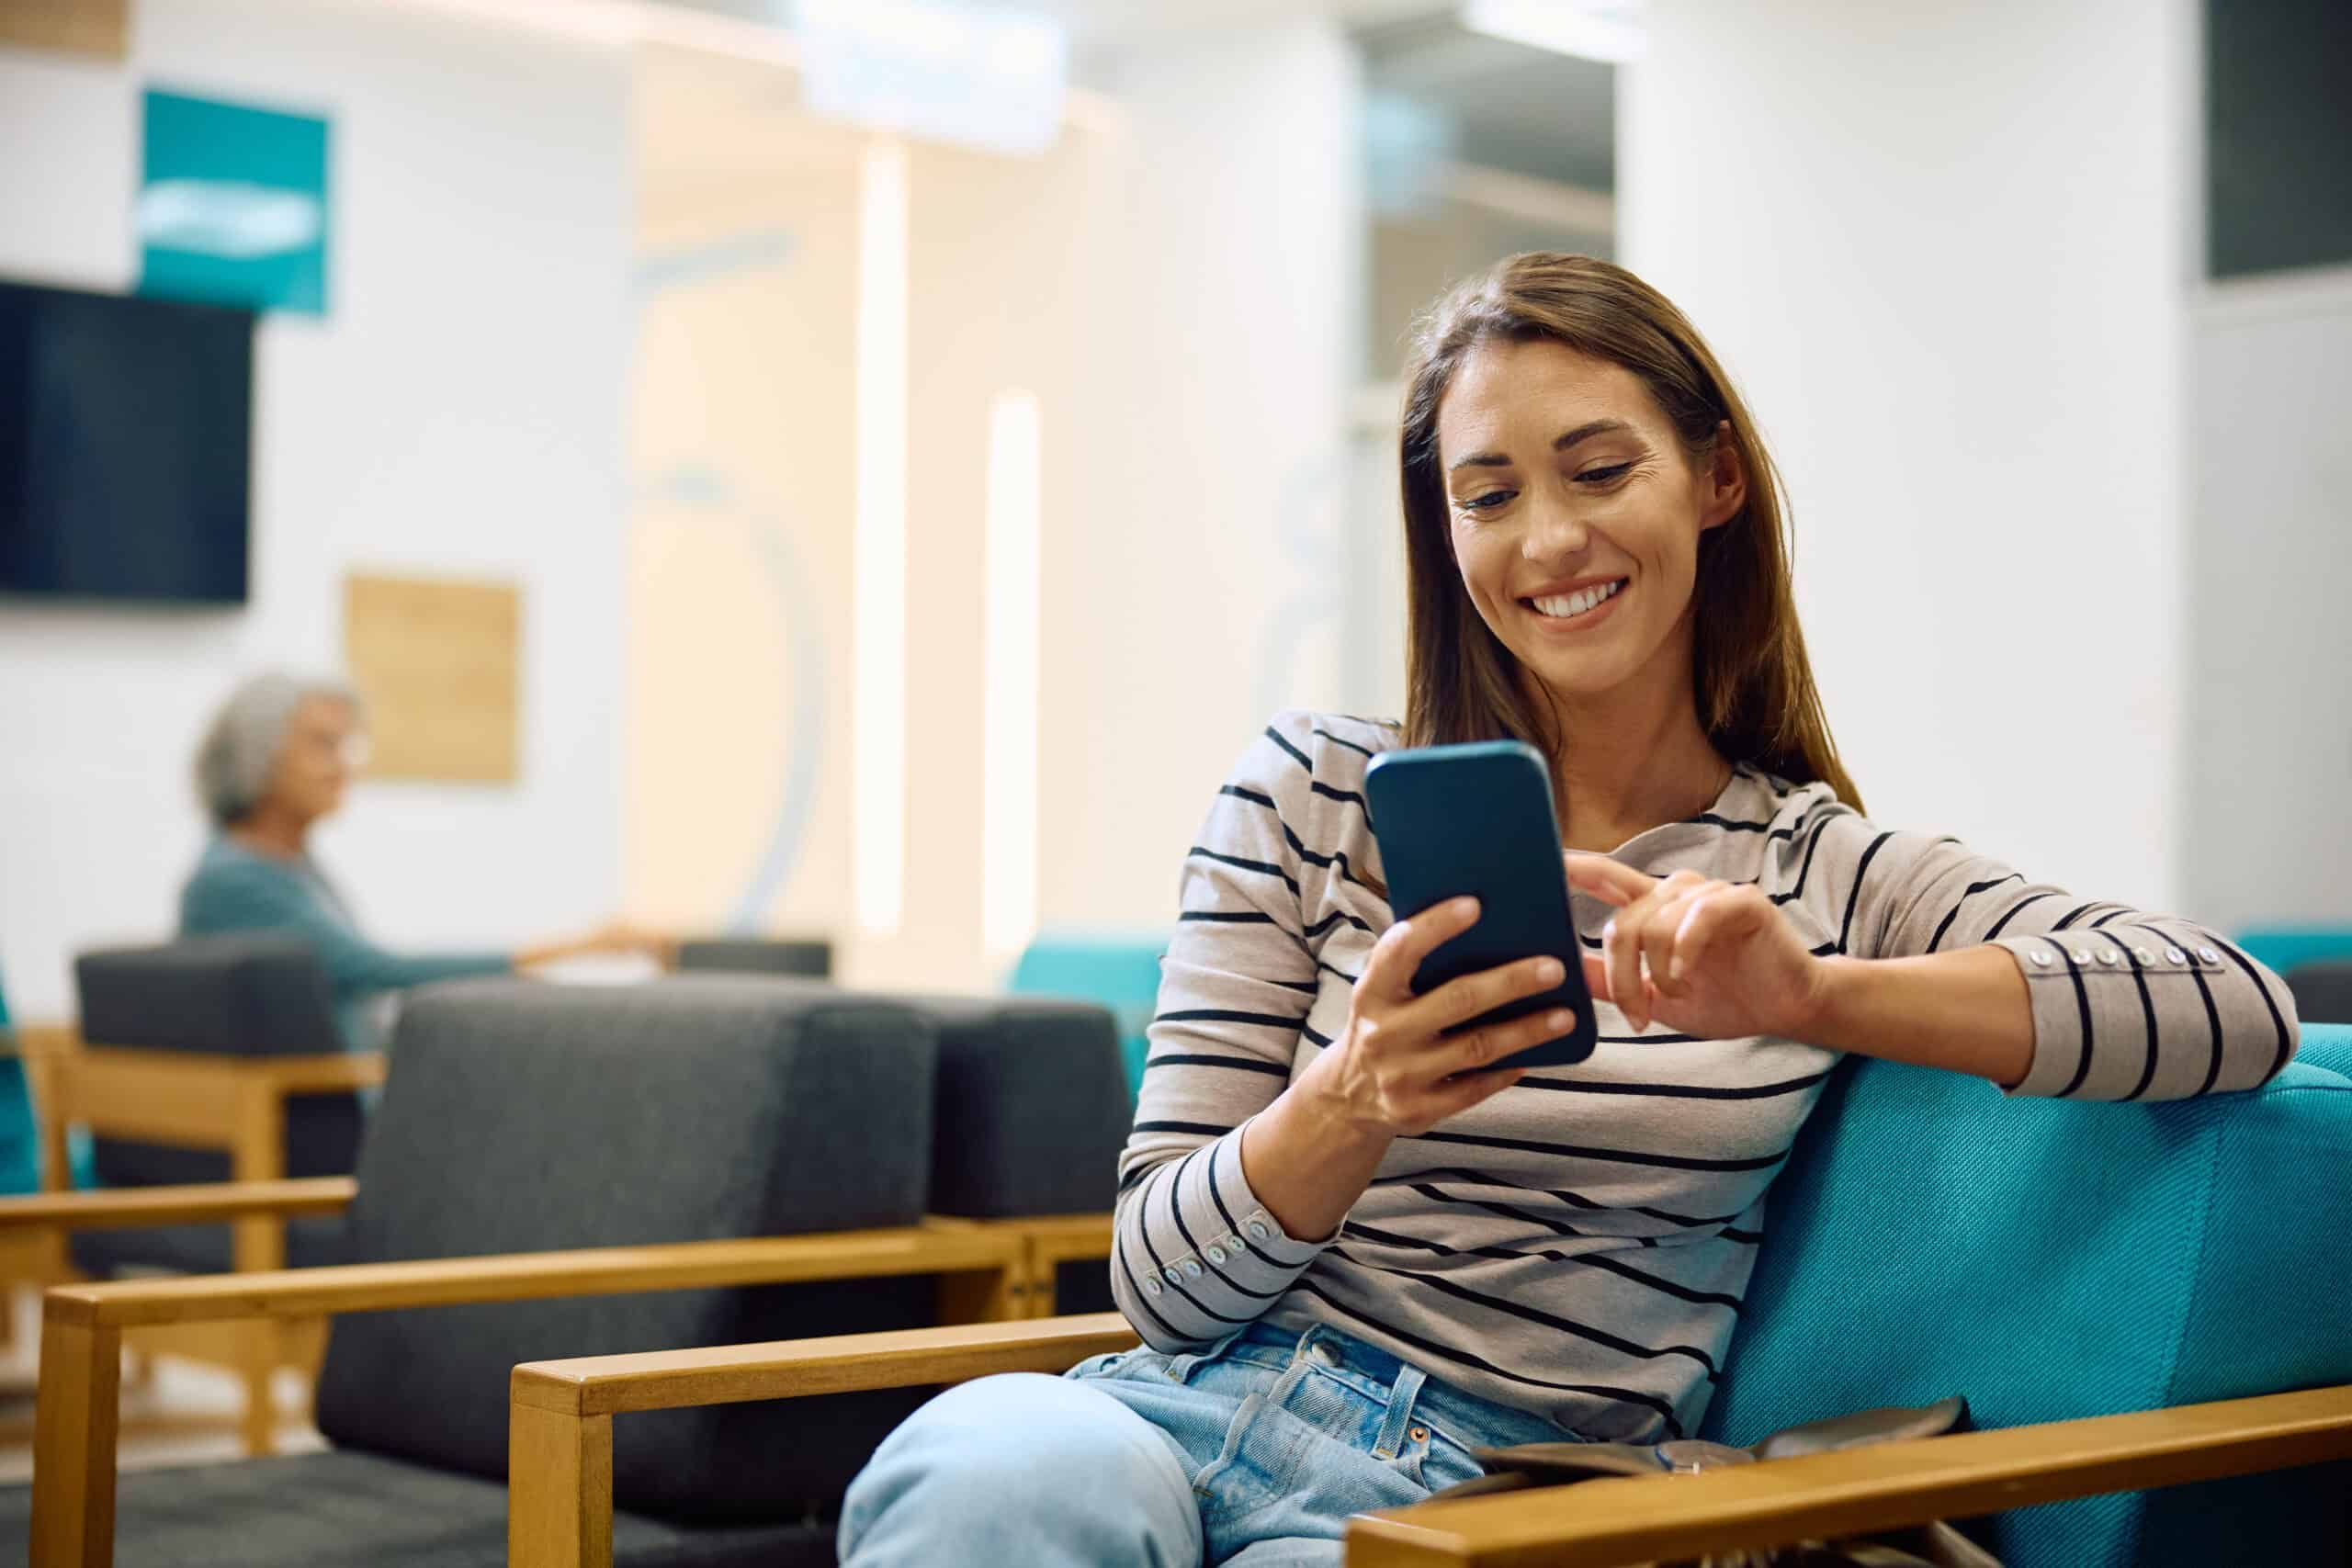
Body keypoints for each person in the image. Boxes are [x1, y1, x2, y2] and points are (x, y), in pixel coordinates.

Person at [835, 254, 2301, 1567]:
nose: (1546, 542)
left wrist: (1810, 998)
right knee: (986, 1479)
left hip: (1496, 1493)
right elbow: (1158, 1279)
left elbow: (2231, 1006)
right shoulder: (1312, 789)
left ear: (1714, 479)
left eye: (1600, 470)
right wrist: (1352, 1099)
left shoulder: (1820, 870)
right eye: (1489, 494)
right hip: (1174, 1408)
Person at [181, 672, 670, 1047]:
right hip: (318, 1113)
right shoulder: (234, 877)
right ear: (258, 755)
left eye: (346, 746)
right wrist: (576, 948)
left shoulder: (291, 862)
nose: (343, 767)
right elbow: (374, 969)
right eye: (321, 745)